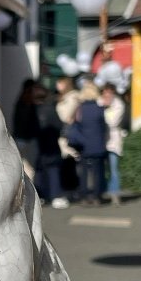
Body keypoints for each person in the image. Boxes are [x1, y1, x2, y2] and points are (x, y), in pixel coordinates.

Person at [72, 83, 108, 205]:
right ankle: (96, 196)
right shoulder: (99, 109)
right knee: (97, 171)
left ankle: (84, 196)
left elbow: (75, 125)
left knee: (84, 172)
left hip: (83, 144)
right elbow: (104, 127)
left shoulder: (79, 109)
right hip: (97, 144)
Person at [53, 75, 81, 207]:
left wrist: (57, 106)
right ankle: (70, 191)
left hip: (68, 136)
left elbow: (65, 116)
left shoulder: (73, 97)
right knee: (65, 165)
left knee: (69, 165)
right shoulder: (62, 98)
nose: (58, 86)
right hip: (62, 135)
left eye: (60, 83)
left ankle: (71, 192)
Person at [100, 83, 126, 206]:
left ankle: (115, 194)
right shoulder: (99, 102)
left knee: (114, 169)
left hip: (113, 141)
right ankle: (102, 192)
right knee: (101, 169)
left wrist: (105, 109)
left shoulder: (118, 104)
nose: (106, 95)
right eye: (105, 93)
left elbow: (113, 122)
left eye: (109, 93)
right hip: (100, 140)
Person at [12, 78, 42, 174]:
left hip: (21, 137)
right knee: (29, 167)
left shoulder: (21, 100)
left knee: (24, 166)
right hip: (27, 138)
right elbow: (26, 122)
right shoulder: (28, 102)